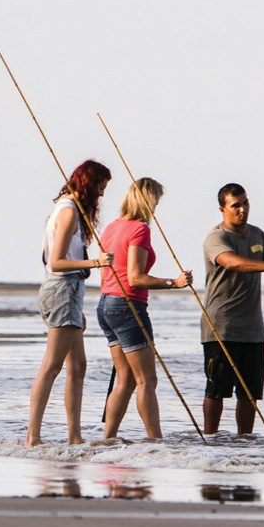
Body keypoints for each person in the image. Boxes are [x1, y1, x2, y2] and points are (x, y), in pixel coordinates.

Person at [200, 184, 264, 434]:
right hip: (221, 327)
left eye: (245, 203)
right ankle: (210, 439)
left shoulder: (256, 234)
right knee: (217, 389)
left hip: (253, 329)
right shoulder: (217, 237)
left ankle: (245, 444)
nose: (242, 209)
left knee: (249, 392)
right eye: (236, 205)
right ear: (223, 209)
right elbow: (231, 262)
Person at [26, 160, 114, 445]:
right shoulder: (67, 212)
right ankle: (32, 437)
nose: (100, 196)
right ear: (88, 185)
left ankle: (74, 437)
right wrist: (96, 262)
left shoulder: (69, 209)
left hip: (70, 291)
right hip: (61, 288)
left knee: (78, 366)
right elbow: (57, 262)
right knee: (52, 365)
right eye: (99, 189)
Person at [97, 176, 192, 441]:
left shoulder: (111, 227)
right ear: (148, 200)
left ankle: (108, 439)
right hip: (127, 305)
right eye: (156, 202)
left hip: (106, 305)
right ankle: (155, 441)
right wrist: (174, 282)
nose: (156, 208)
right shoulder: (140, 229)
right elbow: (136, 277)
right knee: (146, 380)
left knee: (125, 380)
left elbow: (110, 272)